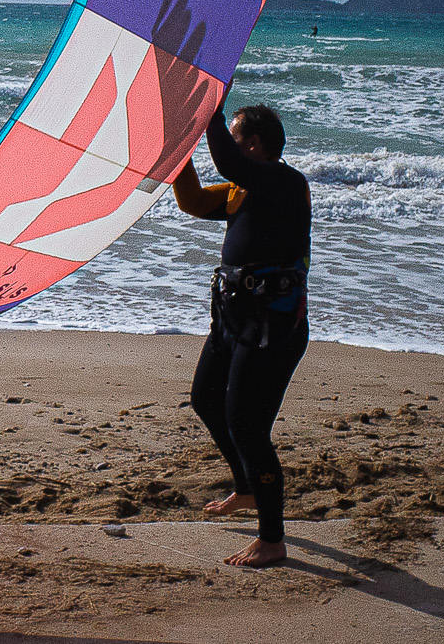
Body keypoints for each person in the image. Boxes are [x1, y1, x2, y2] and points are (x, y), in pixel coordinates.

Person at [172, 97, 311, 568]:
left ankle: (272, 539)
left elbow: (226, 160)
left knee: (249, 427)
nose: (229, 149)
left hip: (273, 328)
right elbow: (192, 201)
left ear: (254, 145)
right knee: (206, 400)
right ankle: (247, 488)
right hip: (233, 319)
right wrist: (176, 155)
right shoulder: (239, 191)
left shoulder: (286, 184)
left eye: (233, 136)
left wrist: (206, 104)